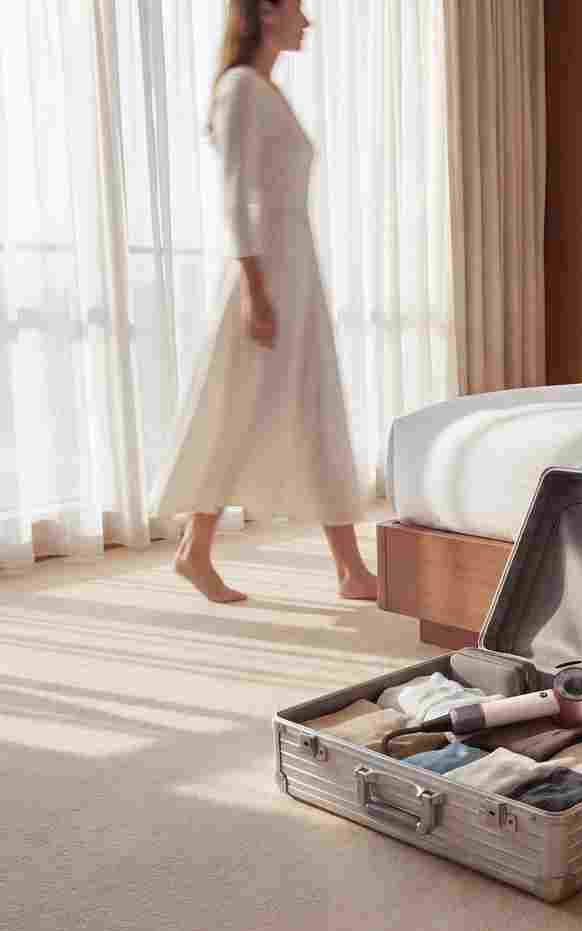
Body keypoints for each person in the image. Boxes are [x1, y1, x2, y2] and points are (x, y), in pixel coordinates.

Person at [151, 0, 378, 603]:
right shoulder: (241, 89)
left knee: (314, 403)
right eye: (299, 10)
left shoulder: (265, 90)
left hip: (294, 268)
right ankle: (195, 550)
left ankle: (350, 569)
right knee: (240, 408)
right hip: (267, 274)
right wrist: (255, 288)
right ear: (267, 12)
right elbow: (234, 195)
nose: (308, 22)